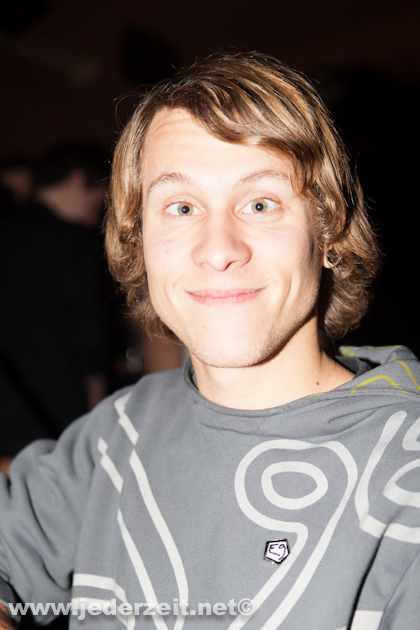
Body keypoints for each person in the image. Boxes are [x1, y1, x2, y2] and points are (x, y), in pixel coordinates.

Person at [0, 51, 419, 630]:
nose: (217, 249)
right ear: (140, 244)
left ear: (328, 232)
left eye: (260, 203)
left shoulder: (405, 472)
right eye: (182, 207)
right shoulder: (118, 432)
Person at [0, 144, 109, 471]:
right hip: (59, 385)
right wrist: (95, 384)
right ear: (76, 180)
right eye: (98, 199)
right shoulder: (70, 239)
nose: (96, 214)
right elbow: (84, 321)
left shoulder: (6, 228)